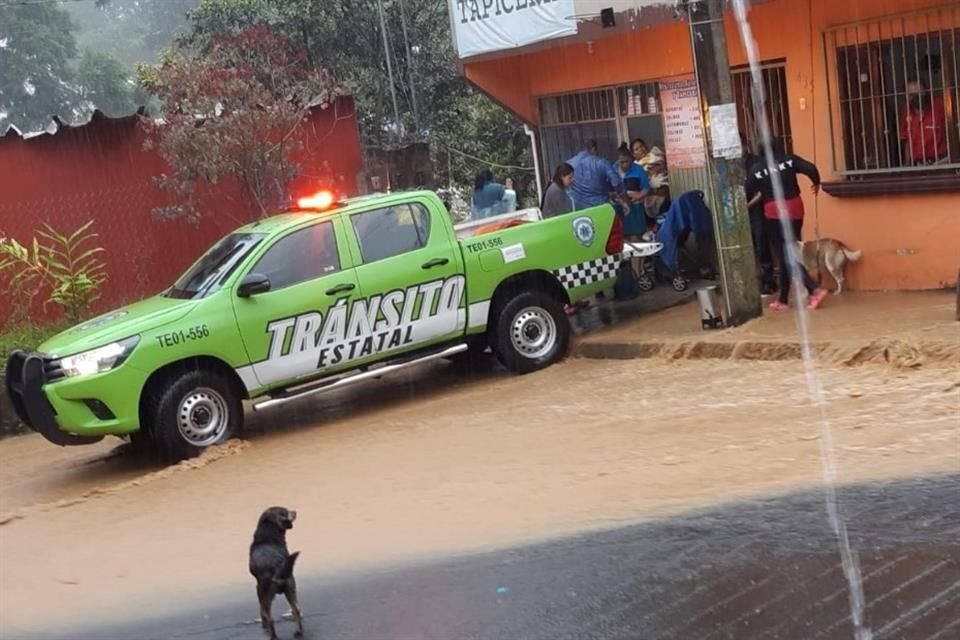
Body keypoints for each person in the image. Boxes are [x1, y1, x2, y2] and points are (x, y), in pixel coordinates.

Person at [746, 138, 828, 311]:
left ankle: (814, 289)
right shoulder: (789, 159)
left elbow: (747, 190)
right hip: (795, 207)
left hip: (774, 210)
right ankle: (783, 299)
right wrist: (816, 183)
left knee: (784, 254)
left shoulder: (756, 169)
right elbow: (810, 168)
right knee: (787, 251)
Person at [741, 132, 776, 294]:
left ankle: (769, 281)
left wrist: (747, 205)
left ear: (745, 145)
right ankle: (749, 282)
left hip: (757, 207)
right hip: (738, 210)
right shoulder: (727, 166)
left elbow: (763, 190)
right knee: (743, 247)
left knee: (761, 243)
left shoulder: (757, 162)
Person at [900, 79, 949, 166]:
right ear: (905, 97)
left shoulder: (940, 105)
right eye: (912, 95)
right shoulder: (906, 111)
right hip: (919, 165)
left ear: (926, 92)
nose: (916, 98)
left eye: (920, 94)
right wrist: (908, 164)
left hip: (942, 162)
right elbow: (906, 139)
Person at [566, 140, 621, 210]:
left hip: (578, 209)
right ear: (594, 149)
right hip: (600, 207)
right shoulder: (602, 162)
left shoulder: (569, 163)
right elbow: (616, 182)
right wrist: (619, 196)